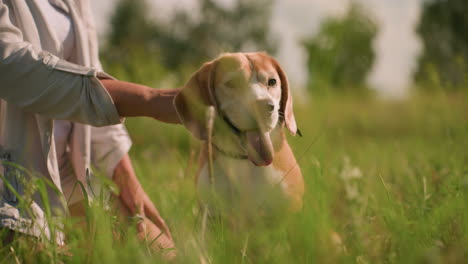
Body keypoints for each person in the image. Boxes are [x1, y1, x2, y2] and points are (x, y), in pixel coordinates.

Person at [0, 0, 179, 253]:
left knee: (165, 252)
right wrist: (150, 100)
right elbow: (15, 69)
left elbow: (90, 73)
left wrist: (127, 184)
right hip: (14, 190)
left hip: (68, 183)